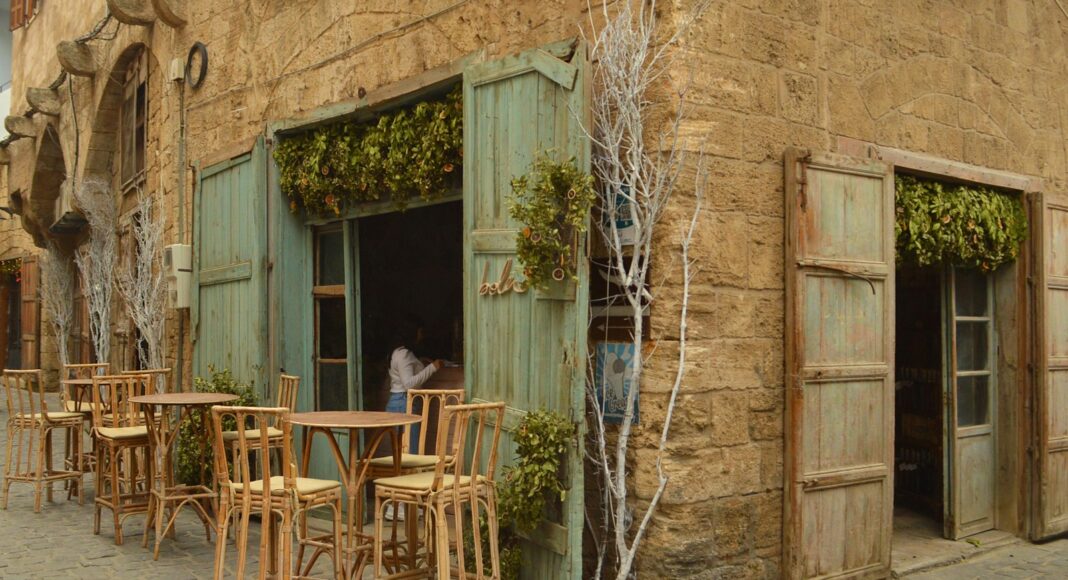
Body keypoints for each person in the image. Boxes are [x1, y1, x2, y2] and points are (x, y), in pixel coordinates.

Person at [386, 315, 443, 450]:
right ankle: (411, 472)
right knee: (411, 449)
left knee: (397, 450)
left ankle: (400, 472)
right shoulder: (404, 354)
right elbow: (409, 384)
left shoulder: (395, 352)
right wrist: (433, 367)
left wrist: (419, 363)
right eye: (419, 331)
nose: (421, 335)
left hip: (396, 400)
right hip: (405, 402)